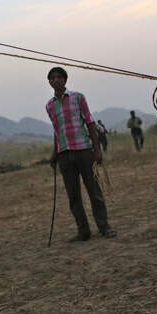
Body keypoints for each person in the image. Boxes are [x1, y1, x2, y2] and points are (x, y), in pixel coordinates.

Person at [46, 67, 116, 241]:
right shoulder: (49, 106)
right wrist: (54, 154)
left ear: (65, 79)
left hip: (84, 150)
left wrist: (97, 149)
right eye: (52, 78)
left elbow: (90, 123)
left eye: (59, 77)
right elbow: (57, 131)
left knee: (94, 192)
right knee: (73, 196)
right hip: (64, 155)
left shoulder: (78, 97)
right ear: (49, 82)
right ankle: (83, 232)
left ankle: (104, 227)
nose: (56, 80)